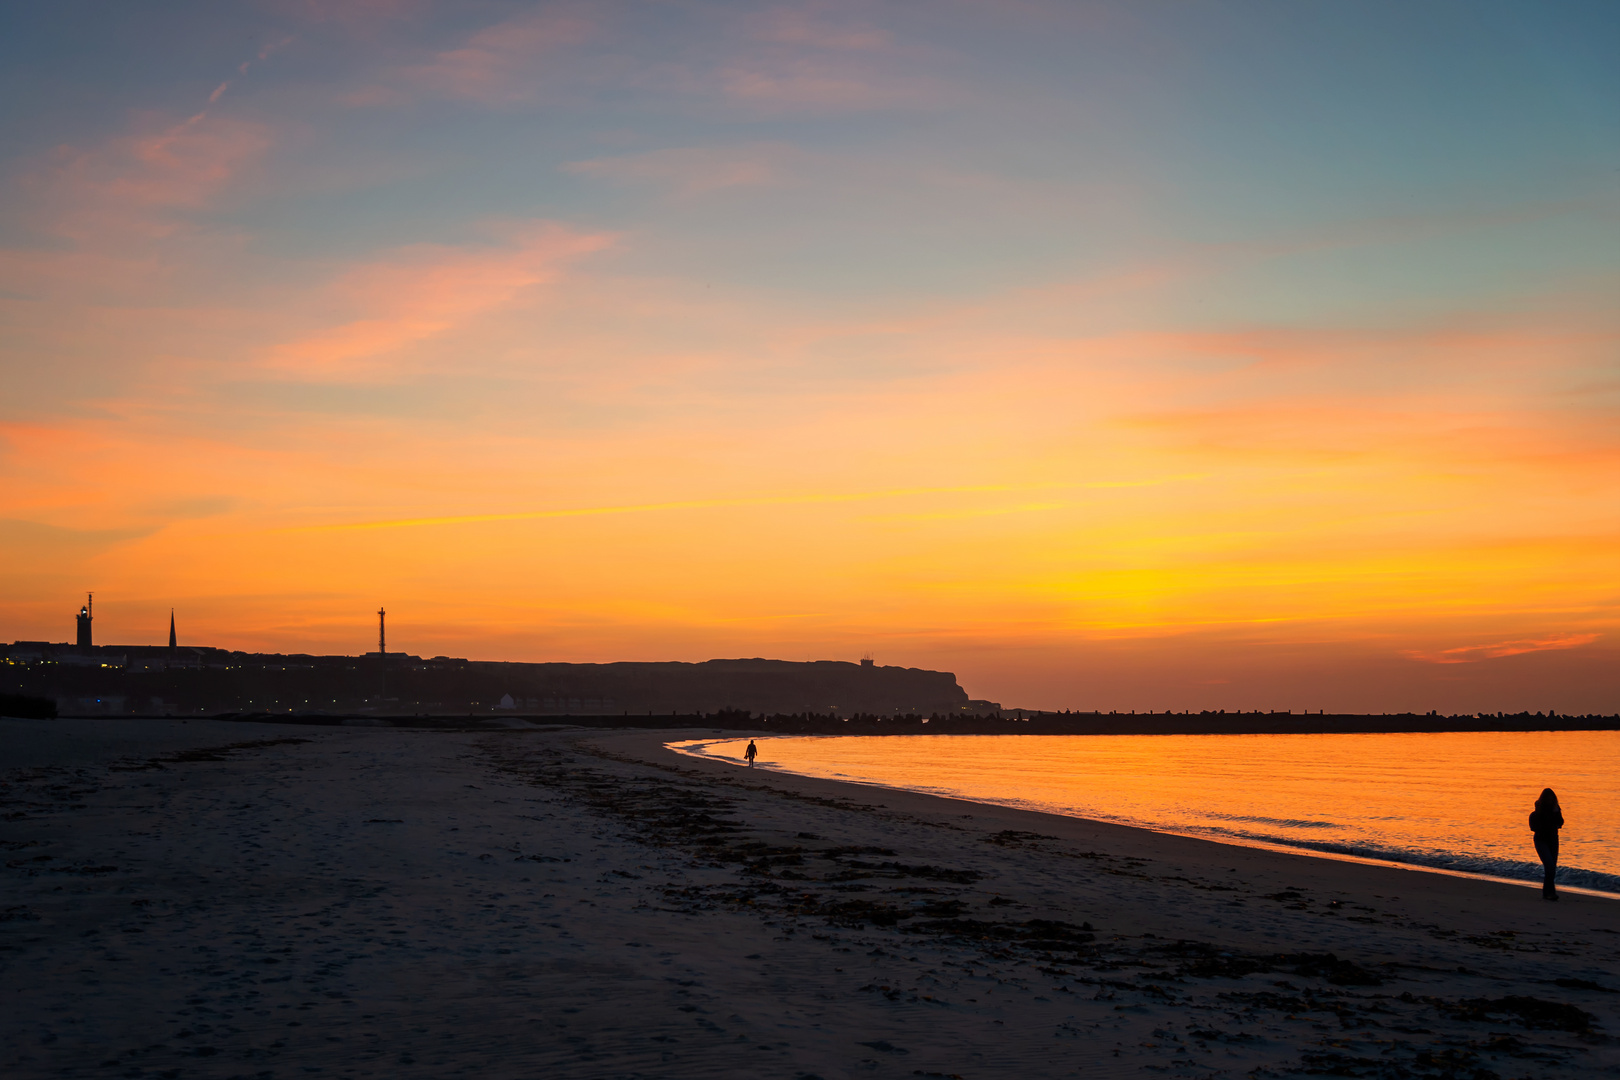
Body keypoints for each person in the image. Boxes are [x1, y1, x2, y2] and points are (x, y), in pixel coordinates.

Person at [1528, 788, 1564, 901]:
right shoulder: (1538, 811)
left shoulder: (1555, 810)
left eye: (1552, 798)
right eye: (1548, 798)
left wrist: (1556, 812)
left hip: (1553, 839)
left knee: (1551, 867)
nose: (1550, 800)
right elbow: (1533, 827)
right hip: (1541, 840)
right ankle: (1549, 893)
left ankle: (1549, 892)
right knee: (1549, 866)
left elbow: (1561, 822)